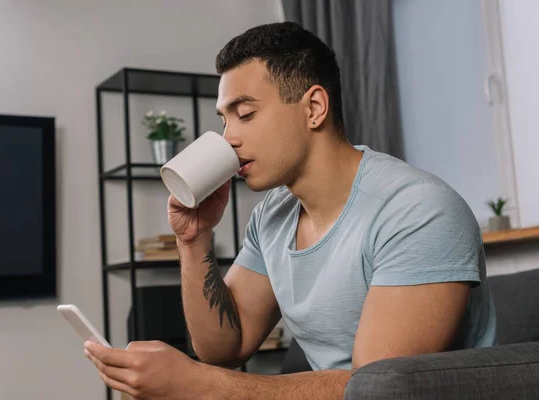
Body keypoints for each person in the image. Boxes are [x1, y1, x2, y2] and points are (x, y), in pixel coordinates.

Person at [85, 21, 497, 399]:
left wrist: (200, 385)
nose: (229, 139)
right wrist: (193, 241)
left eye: (245, 114)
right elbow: (224, 348)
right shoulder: (272, 215)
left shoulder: (417, 211)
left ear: (314, 108)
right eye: (225, 120)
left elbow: (378, 389)